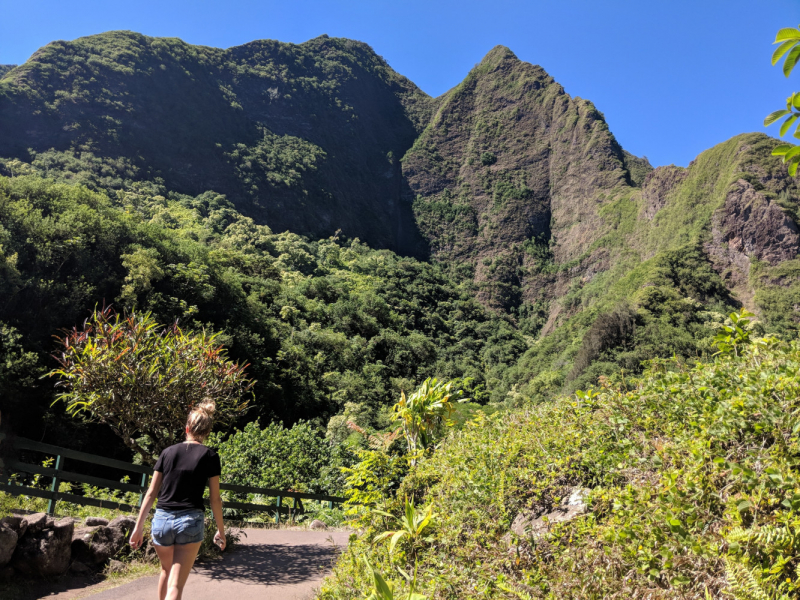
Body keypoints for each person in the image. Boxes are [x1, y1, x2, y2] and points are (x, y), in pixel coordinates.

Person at [129, 400, 226, 600]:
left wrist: (138, 527)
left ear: (187, 428)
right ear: (207, 432)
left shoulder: (167, 452)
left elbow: (151, 492)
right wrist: (221, 531)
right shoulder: (210, 456)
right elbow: (215, 499)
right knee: (176, 585)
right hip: (190, 522)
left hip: (162, 521)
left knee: (165, 571)